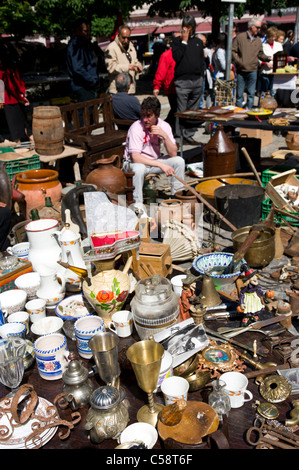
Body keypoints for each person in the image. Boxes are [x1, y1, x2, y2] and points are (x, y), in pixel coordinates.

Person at [123, 96, 185, 205]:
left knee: (179, 161)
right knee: (139, 169)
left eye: (149, 116)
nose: (145, 120)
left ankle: (177, 198)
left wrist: (164, 136)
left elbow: (173, 153)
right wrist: (161, 165)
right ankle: (137, 205)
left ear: (157, 115)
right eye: (143, 115)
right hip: (134, 164)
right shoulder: (136, 127)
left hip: (153, 162)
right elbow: (135, 157)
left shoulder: (164, 126)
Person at [172, 14, 205, 144]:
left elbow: (201, 61)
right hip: (182, 81)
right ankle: (179, 136)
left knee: (194, 110)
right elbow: (177, 57)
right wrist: (184, 42)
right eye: (184, 27)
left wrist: (201, 76)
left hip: (197, 80)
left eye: (188, 27)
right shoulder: (176, 42)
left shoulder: (198, 42)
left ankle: (189, 134)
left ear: (193, 28)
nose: (186, 30)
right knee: (181, 110)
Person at [232, 17, 272, 109]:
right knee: (239, 95)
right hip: (241, 70)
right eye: (258, 28)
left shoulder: (258, 40)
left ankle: (249, 112)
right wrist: (239, 62)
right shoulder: (240, 37)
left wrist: (267, 58)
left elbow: (260, 54)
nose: (259, 30)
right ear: (252, 26)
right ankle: (239, 113)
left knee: (251, 94)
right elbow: (233, 51)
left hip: (253, 70)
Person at [0, 41, 32, 143]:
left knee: (16, 128)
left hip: (10, 100)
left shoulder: (5, 69)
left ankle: (23, 146)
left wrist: (19, 96)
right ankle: (33, 142)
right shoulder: (12, 67)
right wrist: (21, 95)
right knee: (23, 124)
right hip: (13, 98)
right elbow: (18, 83)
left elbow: (8, 85)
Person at [66, 19, 100, 102]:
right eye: (85, 31)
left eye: (89, 31)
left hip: (88, 85)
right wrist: (91, 80)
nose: (88, 33)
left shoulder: (85, 44)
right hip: (82, 87)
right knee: (85, 112)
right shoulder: (75, 45)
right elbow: (77, 68)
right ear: (78, 31)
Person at [105, 25, 143, 95]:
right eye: (123, 38)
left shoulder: (131, 46)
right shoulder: (111, 48)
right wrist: (128, 67)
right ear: (118, 35)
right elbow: (111, 67)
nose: (126, 40)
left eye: (128, 38)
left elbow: (135, 61)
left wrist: (138, 66)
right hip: (117, 91)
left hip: (130, 89)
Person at [153, 45, 176, 134]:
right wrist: (157, 86)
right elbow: (161, 71)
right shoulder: (166, 55)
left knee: (177, 110)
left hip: (182, 87)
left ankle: (169, 129)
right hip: (171, 87)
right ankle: (163, 127)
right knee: (175, 110)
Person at [258, 27, 283, 96]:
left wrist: (276, 64)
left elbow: (281, 57)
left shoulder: (279, 45)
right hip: (266, 71)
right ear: (268, 36)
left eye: (275, 37)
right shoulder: (263, 45)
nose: (274, 39)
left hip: (275, 72)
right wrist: (265, 63)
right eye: (272, 37)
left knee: (273, 91)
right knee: (264, 90)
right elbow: (259, 57)